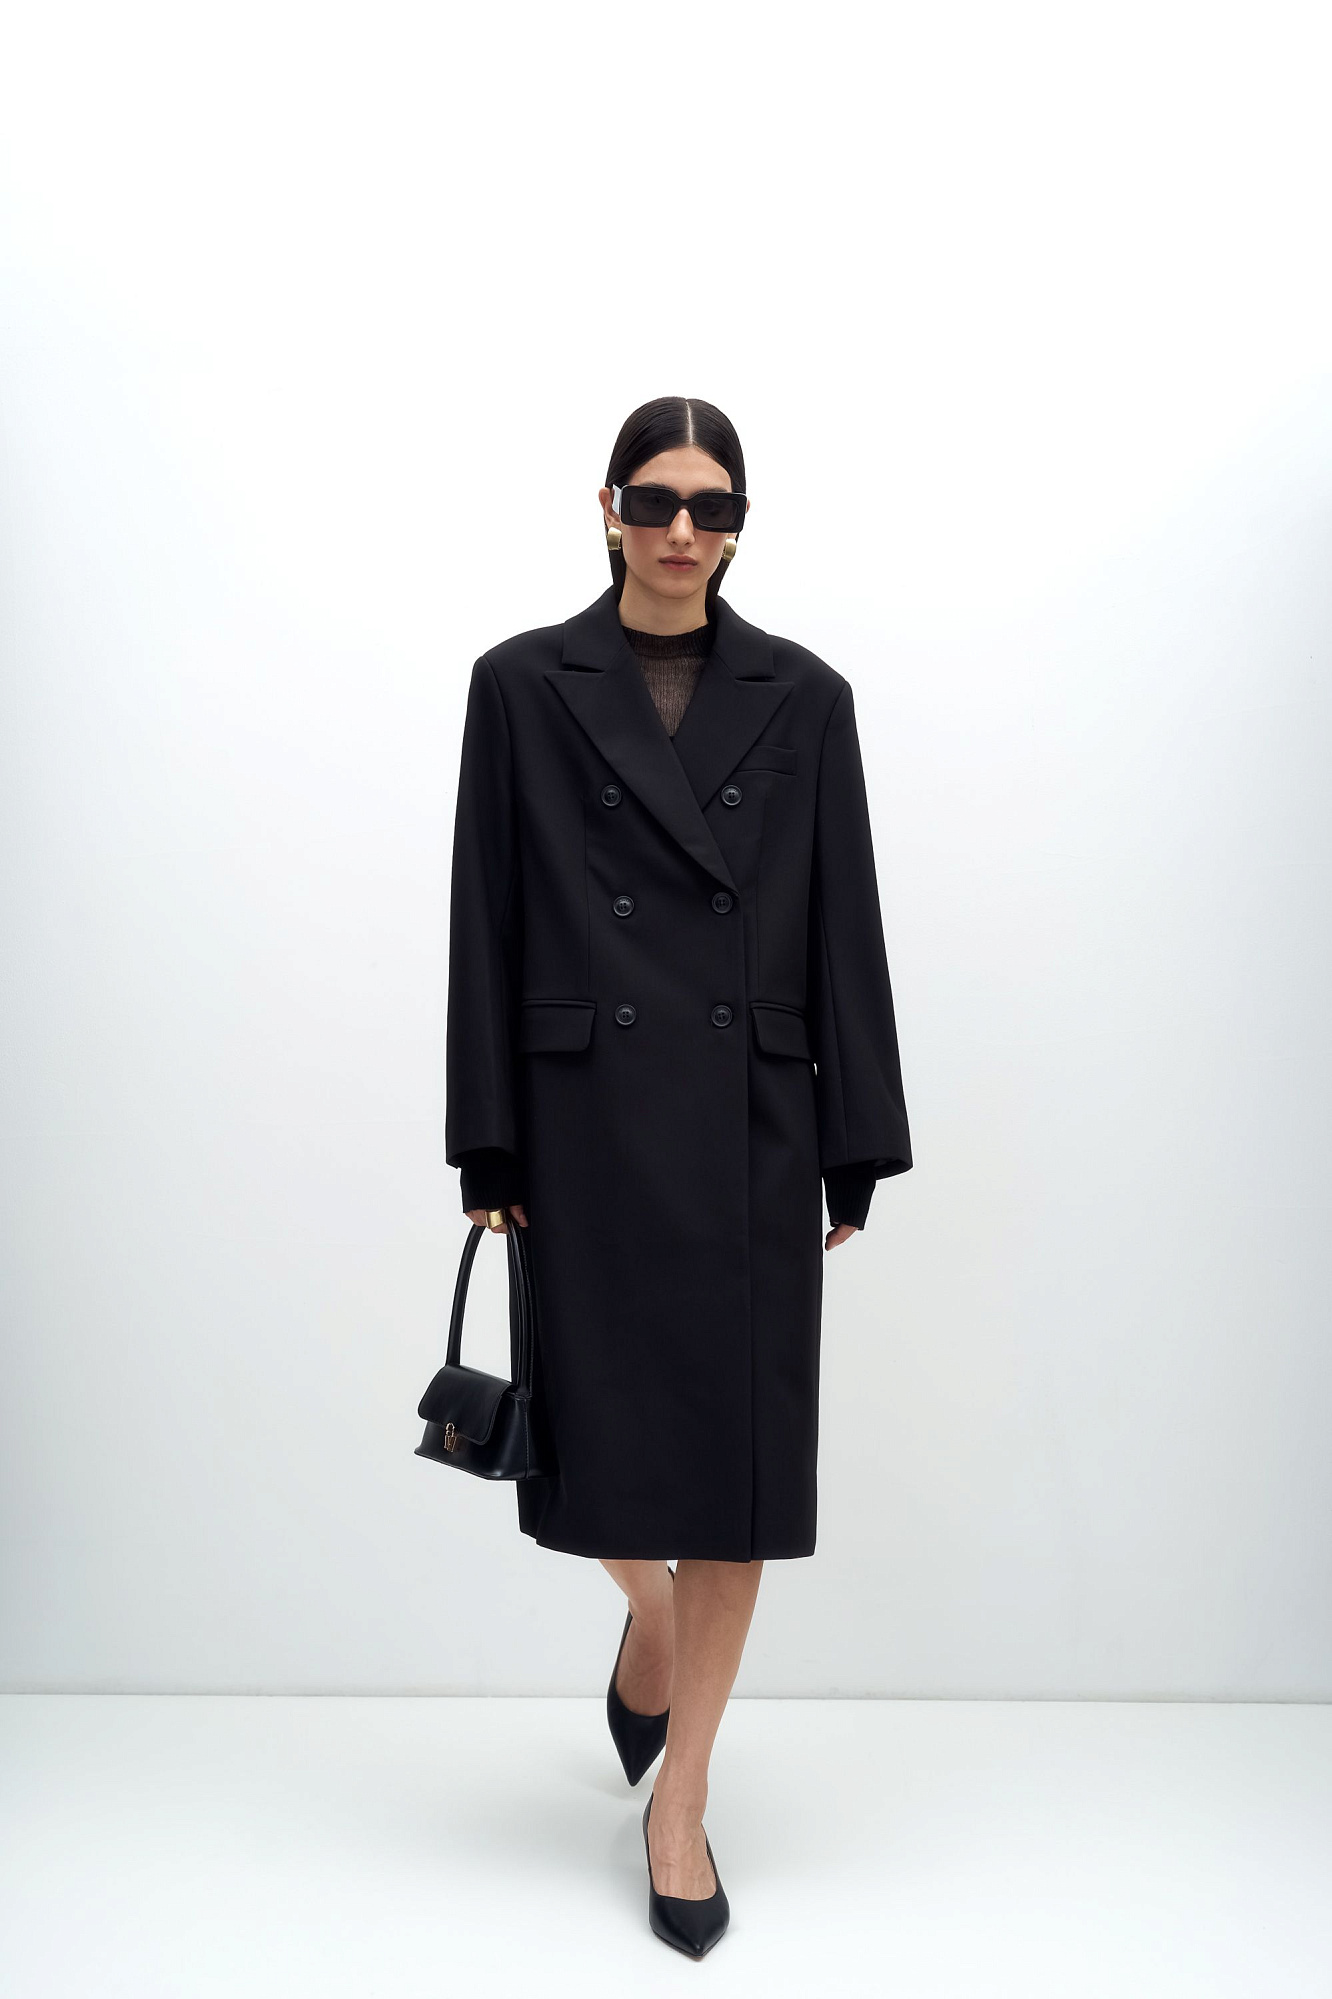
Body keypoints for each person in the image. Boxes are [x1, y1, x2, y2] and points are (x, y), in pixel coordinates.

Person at [445, 395, 912, 1957]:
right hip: (581, 1118)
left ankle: (682, 1801)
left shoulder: (806, 696)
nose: (683, 530)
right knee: (586, 1455)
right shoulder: (520, 685)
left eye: (714, 507)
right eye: (656, 500)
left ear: (738, 528)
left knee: (736, 1475)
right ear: (607, 508)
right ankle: (648, 1618)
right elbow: (486, 914)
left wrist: (857, 1138)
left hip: (750, 1123)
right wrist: (486, 1135)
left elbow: (842, 913)